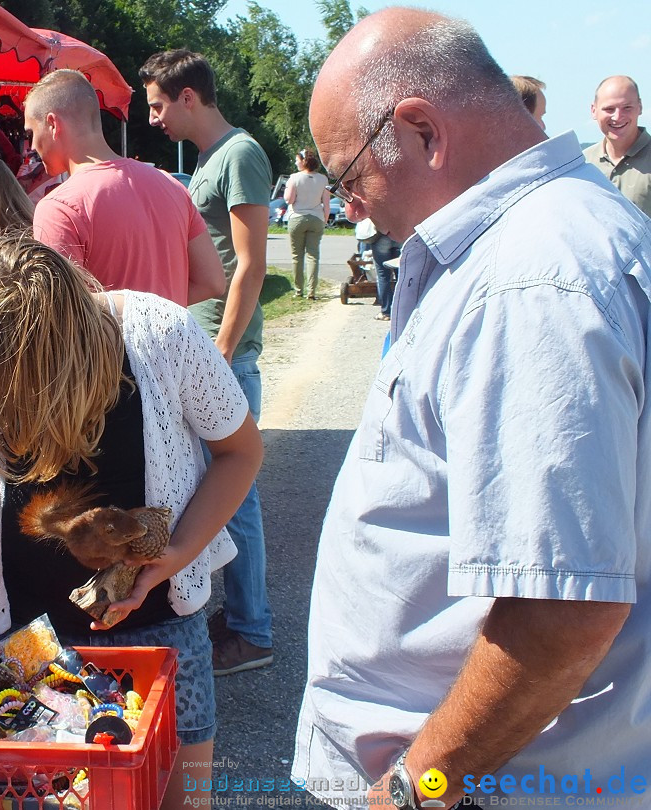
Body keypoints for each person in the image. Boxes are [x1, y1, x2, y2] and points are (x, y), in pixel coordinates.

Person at [293, 8, 651, 809]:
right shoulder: (545, 245)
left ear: (421, 131)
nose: (352, 207)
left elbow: (561, 608)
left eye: (350, 176)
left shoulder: (529, 281)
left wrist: (417, 789)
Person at [0, 235, 263, 809]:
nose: (18, 408)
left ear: (73, 346)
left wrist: (177, 555)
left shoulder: (162, 335)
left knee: (177, 799)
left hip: (159, 634)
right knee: (50, 797)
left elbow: (241, 452)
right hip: (31, 640)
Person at [140, 49, 274, 676]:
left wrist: (221, 348)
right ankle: (240, 617)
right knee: (214, 490)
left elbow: (251, 263)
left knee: (234, 493)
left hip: (224, 354)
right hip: (205, 351)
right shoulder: (207, 161)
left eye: (159, 104)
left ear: (189, 96)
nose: (154, 118)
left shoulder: (240, 154)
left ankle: (251, 630)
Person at [25, 69, 223, 307]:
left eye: (31, 133)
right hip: (174, 341)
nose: (32, 146)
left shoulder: (58, 208)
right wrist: (160, 310)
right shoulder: (172, 185)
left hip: (108, 344)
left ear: (52, 124)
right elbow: (212, 281)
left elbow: (61, 311)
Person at [583, 75, 651, 218]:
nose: (617, 116)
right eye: (609, 109)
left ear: (640, 107)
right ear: (593, 110)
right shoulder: (583, 163)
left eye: (627, 108)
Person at [283, 148, 330, 299]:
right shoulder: (323, 179)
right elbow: (326, 204)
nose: (296, 162)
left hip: (297, 217)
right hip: (316, 218)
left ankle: (298, 290)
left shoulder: (294, 178)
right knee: (313, 255)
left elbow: (289, 200)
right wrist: (325, 219)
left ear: (303, 162)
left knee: (297, 256)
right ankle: (312, 291)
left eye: (297, 160)